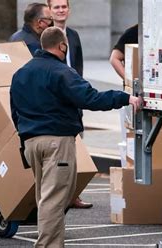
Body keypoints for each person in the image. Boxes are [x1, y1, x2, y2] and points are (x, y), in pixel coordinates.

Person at [10, 27, 142, 248]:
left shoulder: (20, 73)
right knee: (55, 198)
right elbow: (90, 98)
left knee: (46, 196)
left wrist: (25, 136)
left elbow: (14, 110)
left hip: (30, 142)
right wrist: (124, 97)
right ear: (62, 46)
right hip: (57, 142)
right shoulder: (62, 72)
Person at [47, 0, 91, 209]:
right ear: (49, 11)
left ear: (69, 10)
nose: (61, 10)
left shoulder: (73, 35)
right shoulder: (45, 37)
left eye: (64, 7)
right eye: (56, 7)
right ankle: (57, 196)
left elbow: (78, 66)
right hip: (55, 102)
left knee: (76, 151)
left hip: (74, 100)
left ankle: (74, 194)